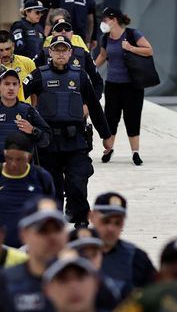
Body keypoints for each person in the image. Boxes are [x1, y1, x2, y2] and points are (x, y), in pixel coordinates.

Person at [23, 36, 112, 226]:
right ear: (50, 52)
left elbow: (95, 107)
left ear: (71, 53)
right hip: (48, 143)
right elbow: (16, 94)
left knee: (77, 184)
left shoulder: (80, 76)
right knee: (52, 188)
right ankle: (54, 226)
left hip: (75, 141)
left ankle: (81, 223)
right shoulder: (39, 75)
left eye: (65, 50)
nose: (61, 53)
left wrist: (106, 135)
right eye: (57, 49)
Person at [0, 132, 56, 247]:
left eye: (19, 159)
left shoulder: (42, 177)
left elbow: (51, 207)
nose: (13, 164)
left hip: (32, 248)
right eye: (9, 158)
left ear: (29, 157)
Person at [95, 6, 154, 166]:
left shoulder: (132, 34)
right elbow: (103, 55)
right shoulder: (105, 38)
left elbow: (149, 50)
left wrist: (131, 48)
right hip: (113, 84)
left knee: (132, 118)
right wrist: (91, 69)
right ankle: (109, 149)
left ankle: (135, 152)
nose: (103, 22)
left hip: (132, 85)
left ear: (114, 20)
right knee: (110, 119)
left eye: (105, 19)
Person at [0, 68, 50, 170]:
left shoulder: (28, 111)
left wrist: (33, 130)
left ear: (19, 86)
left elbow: (46, 139)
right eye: (7, 84)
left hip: (22, 171)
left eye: (14, 84)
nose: (11, 88)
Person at [89, 192, 155, 293]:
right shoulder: (73, 253)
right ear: (92, 217)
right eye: (105, 221)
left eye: (118, 223)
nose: (111, 228)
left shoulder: (136, 258)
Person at [38, 16, 103, 100]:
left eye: (67, 29)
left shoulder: (83, 54)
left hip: (76, 107)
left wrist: (89, 105)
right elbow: (31, 80)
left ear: (72, 33)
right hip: (49, 107)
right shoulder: (44, 53)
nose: (63, 32)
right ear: (53, 34)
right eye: (59, 29)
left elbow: (97, 82)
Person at [67, 227, 125, 310]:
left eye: (94, 254)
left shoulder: (117, 289)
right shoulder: (54, 289)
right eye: (82, 254)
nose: (89, 261)